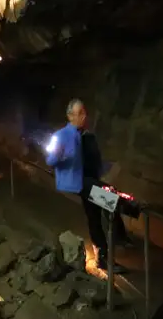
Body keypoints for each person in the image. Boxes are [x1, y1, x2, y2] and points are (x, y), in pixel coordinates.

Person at [45, 98, 127, 274]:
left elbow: (95, 160)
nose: (84, 116)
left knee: (95, 216)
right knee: (111, 202)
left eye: (84, 112)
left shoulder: (88, 136)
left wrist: (109, 167)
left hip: (90, 180)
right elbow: (51, 159)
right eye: (79, 113)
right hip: (80, 182)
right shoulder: (62, 136)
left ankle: (105, 255)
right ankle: (116, 243)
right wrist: (60, 155)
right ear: (70, 116)